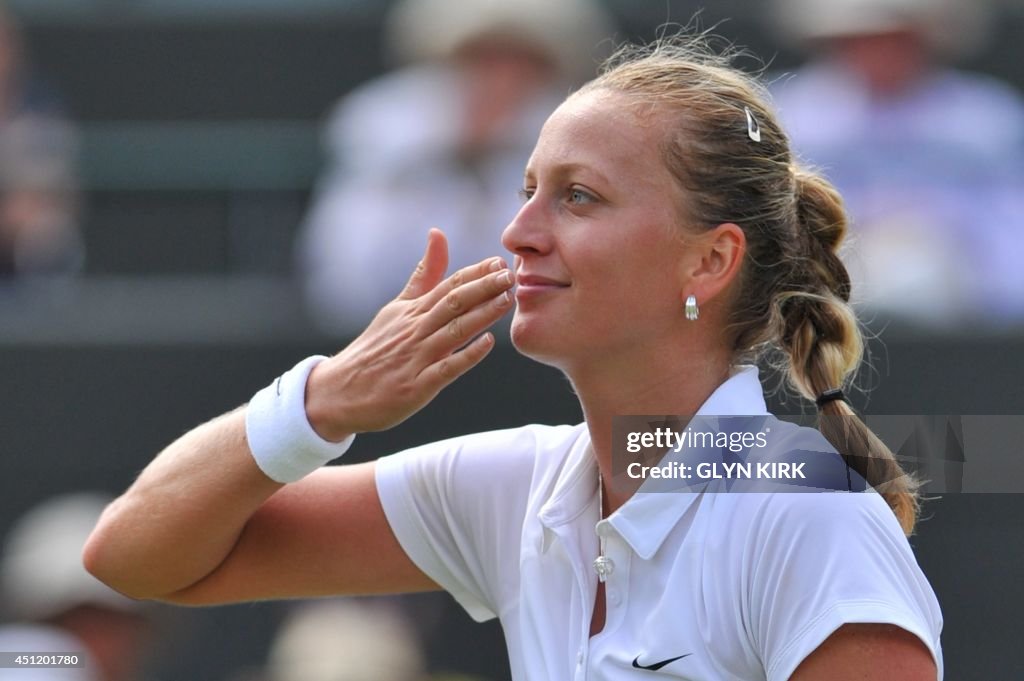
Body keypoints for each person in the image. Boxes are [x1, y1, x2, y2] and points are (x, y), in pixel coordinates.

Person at [83, 34, 943, 681]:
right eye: (528, 187)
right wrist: (321, 403)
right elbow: (135, 556)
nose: (518, 233)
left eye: (578, 196)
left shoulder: (811, 518)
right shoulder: (517, 488)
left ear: (708, 261)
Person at [295, 0, 613, 333]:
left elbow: (579, 276)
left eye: (522, 61)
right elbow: (345, 278)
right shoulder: (383, 128)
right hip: (397, 342)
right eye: (483, 58)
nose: (501, 79)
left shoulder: (582, 135)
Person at [769, 0, 1024, 325]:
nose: (882, 53)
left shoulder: (986, 121)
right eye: (866, 38)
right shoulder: (785, 114)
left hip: (961, 313)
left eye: (897, 38)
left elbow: (1013, 234)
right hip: (819, 305)